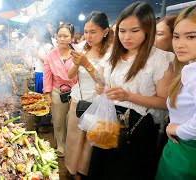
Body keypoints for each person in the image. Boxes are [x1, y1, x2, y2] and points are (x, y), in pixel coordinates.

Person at [88, 2, 174, 180]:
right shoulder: (113, 53)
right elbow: (103, 81)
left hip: (137, 127)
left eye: (134, 31)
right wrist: (101, 88)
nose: (126, 37)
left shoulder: (160, 59)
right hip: (108, 121)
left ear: (147, 29)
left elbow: (165, 102)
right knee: (100, 168)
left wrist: (129, 96)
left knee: (125, 171)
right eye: (122, 30)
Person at [65, 11, 113, 179]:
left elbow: (103, 82)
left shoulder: (110, 53)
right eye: (86, 32)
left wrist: (86, 64)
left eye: (93, 32)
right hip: (77, 100)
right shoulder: (83, 47)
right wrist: (77, 63)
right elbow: (70, 76)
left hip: (96, 103)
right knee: (73, 138)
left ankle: (84, 171)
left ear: (105, 31)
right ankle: (72, 169)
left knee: (89, 141)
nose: (88, 36)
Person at [156, 5, 196, 180]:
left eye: (191, 37)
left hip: (187, 156)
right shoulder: (187, 68)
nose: (180, 44)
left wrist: (181, 130)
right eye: (176, 37)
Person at [43, 23, 77, 157]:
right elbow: (47, 75)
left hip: (74, 92)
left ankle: (72, 146)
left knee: (72, 121)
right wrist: (47, 93)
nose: (62, 39)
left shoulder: (77, 53)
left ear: (72, 37)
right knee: (58, 121)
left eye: (66, 36)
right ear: (55, 37)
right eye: (60, 36)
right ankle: (61, 145)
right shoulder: (51, 55)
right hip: (57, 91)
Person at [33, 26, 54, 94]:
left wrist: (37, 55)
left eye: (36, 34)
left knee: (43, 97)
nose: (35, 36)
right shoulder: (39, 45)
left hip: (44, 74)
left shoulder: (49, 46)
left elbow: (50, 63)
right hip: (38, 72)